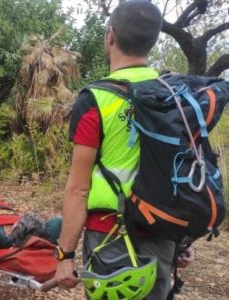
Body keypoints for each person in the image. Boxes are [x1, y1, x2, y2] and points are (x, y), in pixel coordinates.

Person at [54, 1, 195, 299]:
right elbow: (183, 168)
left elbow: (79, 188)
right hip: (162, 234)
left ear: (110, 36)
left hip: (109, 238)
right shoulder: (175, 95)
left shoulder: (95, 100)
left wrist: (65, 256)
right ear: (154, 40)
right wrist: (184, 239)